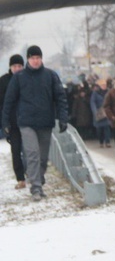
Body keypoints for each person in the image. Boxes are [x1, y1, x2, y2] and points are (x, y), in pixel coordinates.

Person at [2, 45, 69, 201]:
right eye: (33, 58)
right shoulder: (19, 78)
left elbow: (60, 98)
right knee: (32, 153)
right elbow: (9, 101)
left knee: (43, 157)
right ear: (28, 59)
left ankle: (38, 179)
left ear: (41, 59)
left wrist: (63, 118)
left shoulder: (50, 76)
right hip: (26, 122)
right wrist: (5, 122)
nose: (36, 61)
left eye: (38, 58)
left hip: (45, 122)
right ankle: (36, 188)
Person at [0, 54, 27, 189]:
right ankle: (20, 178)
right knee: (16, 151)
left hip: (28, 120)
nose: (17, 68)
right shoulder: (3, 81)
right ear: (10, 67)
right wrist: (4, 123)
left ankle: (31, 173)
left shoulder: (28, 79)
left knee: (30, 150)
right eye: (14, 66)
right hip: (12, 122)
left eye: (19, 66)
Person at [90, 79, 112, 149]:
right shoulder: (95, 93)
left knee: (107, 128)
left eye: (105, 85)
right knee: (99, 129)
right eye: (102, 85)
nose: (104, 86)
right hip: (98, 113)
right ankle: (101, 142)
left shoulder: (108, 92)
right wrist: (95, 111)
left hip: (106, 112)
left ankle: (107, 142)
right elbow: (92, 102)